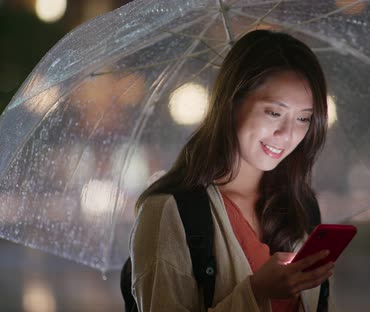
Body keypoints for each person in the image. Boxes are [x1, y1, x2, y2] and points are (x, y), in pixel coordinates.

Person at [129, 29, 334, 311]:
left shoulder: (301, 206)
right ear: (232, 103)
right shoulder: (172, 212)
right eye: (274, 113)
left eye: (303, 119)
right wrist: (257, 292)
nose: (287, 134)